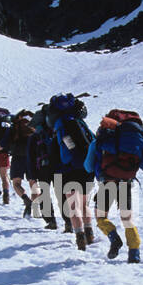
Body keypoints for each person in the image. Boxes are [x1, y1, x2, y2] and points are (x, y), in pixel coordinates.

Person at [84, 109, 143, 263]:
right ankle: (134, 253)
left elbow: (88, 167)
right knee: (127, 218)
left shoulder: (101, 140)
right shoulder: (136, 139)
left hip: (107, 183)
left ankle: (113, 237)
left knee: (101, 217)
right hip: (126, 182)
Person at [50, 94, 96, 250]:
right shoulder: (79, 122)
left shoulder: (61, 125)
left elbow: (63, 149)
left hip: (69, 169)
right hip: (86, 168)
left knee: (73, 206)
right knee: (84, 204)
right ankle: (90, 234)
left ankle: (80, 238)